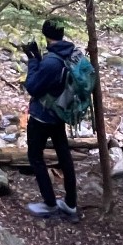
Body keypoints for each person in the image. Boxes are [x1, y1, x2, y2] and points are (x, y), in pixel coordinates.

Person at [21, 19, 79, 221]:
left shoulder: (51, 62)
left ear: (46, 35)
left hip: (42, 116)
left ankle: (50, 204)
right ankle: (71, 204)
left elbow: (32, 87)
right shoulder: (70, 52)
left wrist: (32, 59)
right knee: (64, 157)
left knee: (35, 157)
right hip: (59, 114)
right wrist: (38, 58)